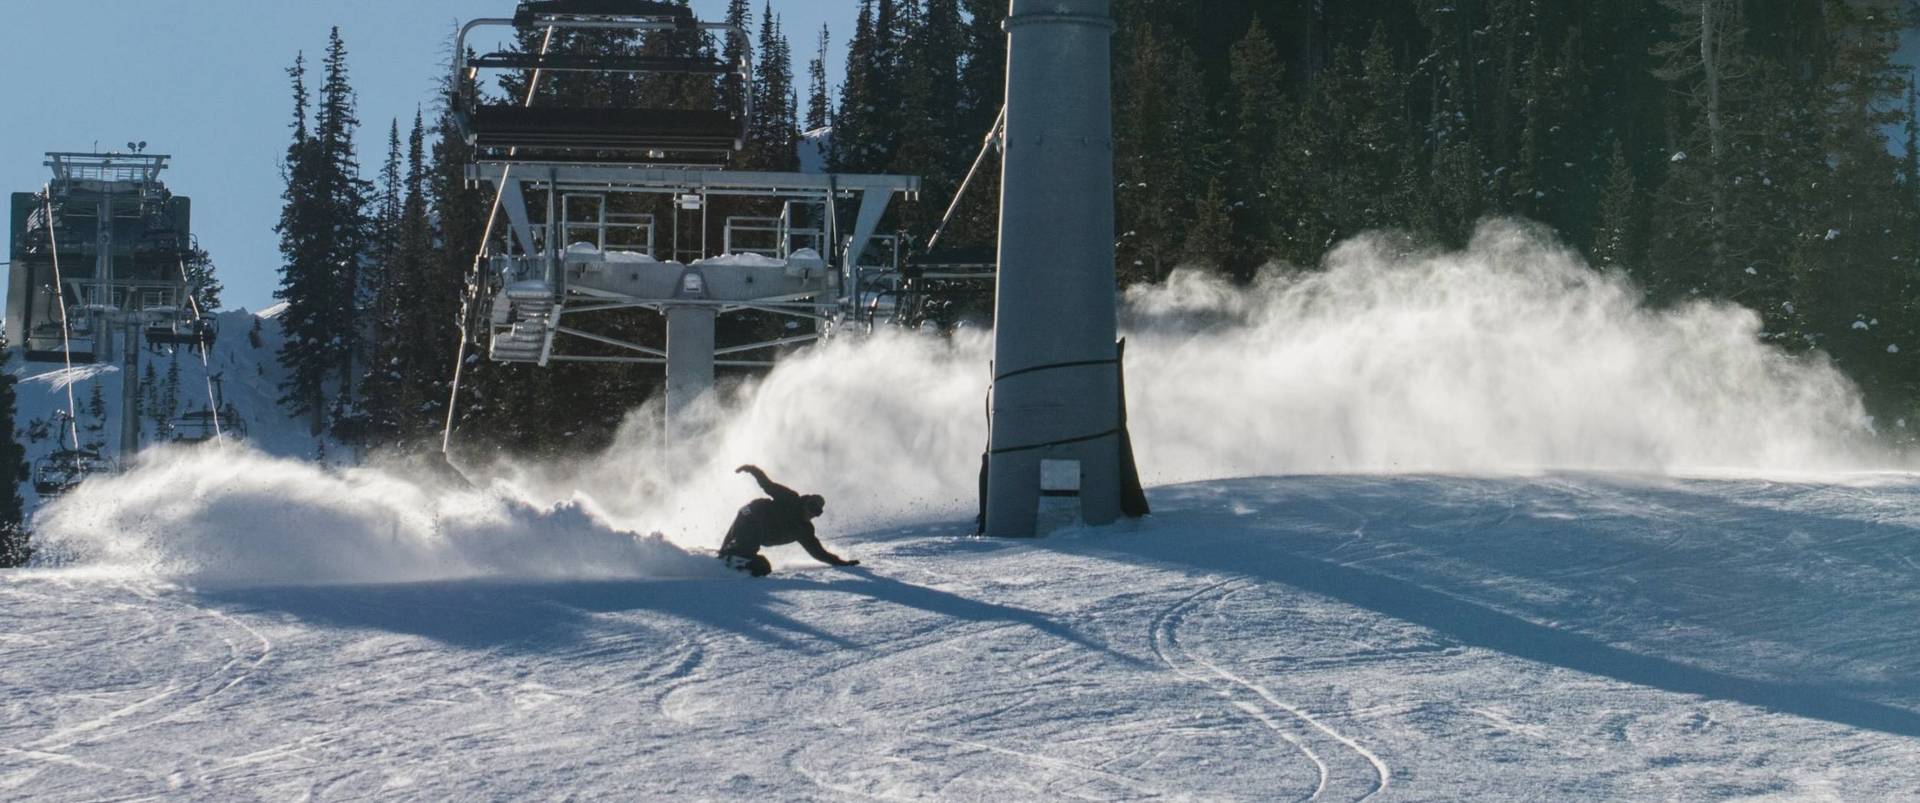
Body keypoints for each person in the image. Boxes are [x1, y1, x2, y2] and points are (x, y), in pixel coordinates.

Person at [719, 464, 860, 577]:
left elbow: (819, 552)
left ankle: (734, 558)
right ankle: (729, 555)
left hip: (760, 533)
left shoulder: (804, 530)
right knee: (747, 538)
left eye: (817, 513)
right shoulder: (790, 499)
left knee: (763, 568)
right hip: (751, 514)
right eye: (811, 507)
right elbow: (767, 485)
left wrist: (840, 563)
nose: (811, 514)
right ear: (805, 503)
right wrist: (752, 469)